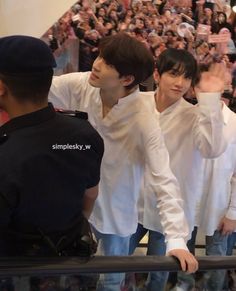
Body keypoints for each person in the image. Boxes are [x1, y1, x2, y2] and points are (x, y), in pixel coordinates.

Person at [49, 32, 198, 291]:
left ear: (127, 79)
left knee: (111, 279)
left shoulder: (144, 118)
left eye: (107, 63)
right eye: (100, 56)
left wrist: (176, 239)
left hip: (116, 211)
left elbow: (164, 178)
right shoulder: (83, 84)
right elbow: (40, 86)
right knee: (68, 272)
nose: (95, 64)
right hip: (76, 202)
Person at [129, 48, 227, 291]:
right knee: (109, 269)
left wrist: (211, 101)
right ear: (157, 74)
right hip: (129, 203)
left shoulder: (195, 115)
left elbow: (212, 148)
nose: (180, 82)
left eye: (186, 77)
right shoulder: (134, 103)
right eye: (173, 74)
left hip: (168, 210)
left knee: (159, 274)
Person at [0, 35, 104, 256]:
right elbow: (90, 196)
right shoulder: (84, 134)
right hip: (71, 262)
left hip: (16, 269)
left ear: (2, 87)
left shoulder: (5, 151)